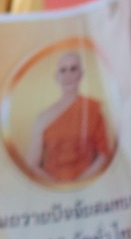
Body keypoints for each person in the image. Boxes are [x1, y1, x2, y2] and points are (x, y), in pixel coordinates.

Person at [28, 51, 114, 184]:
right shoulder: (42, 117)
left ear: (81, 74)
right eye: (63, 70)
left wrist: (78, 183)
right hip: (51, 186)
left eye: (73, 69)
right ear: (57, 77)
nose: (68, 76)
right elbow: (32, 164)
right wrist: (57, 187)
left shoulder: (93, 109)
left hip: (87, 183)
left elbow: (103, 155)